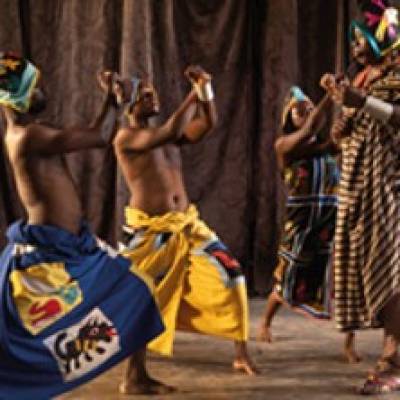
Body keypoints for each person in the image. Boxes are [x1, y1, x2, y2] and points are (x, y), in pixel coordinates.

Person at [0, 52, 163, 399]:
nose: (42, 91)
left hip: (73, 243)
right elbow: (100, 135)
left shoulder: (27, 132)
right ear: (17, 96)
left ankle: (136, 377)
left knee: (139, 287)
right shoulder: (28, 136)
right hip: (52, 251)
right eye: (34, 87)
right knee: (39, 333)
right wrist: (114, 99)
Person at [109, 65, 257, 395]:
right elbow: (170, 129)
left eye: (154, 93)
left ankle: (240, 354)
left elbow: (208, 122)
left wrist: (205, 90)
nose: (154, 98)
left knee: (231, 275)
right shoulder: (127, 138)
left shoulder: (170, 136)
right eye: (146, 95)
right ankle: (134, 377)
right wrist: (194, 91)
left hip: (187, 226)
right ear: (131, 104)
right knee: (142, 299)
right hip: (152, 232)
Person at [321, 0, 400, 394]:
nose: (354, 48)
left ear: (381, 40)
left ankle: (394, 359)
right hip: (357, 189)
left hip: (388, 188)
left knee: (391, 270)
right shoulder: (364, 77)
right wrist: (341, 123)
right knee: (371, 269)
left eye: (360, 40)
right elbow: (348, 132)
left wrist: (362, 101)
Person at [256, 86, 360, 361]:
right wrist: (329, 95)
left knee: (343, 279)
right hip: (301, 221)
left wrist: (347, 119)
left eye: (309, 108)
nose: (306, 112)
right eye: (299, 110)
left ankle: (349, 344)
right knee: (288, 274)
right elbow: (310, 128)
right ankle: (265, 322)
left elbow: (340, 139)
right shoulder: (284, 146)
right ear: (288, 118)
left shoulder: (326, 147)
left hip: (331, 219)